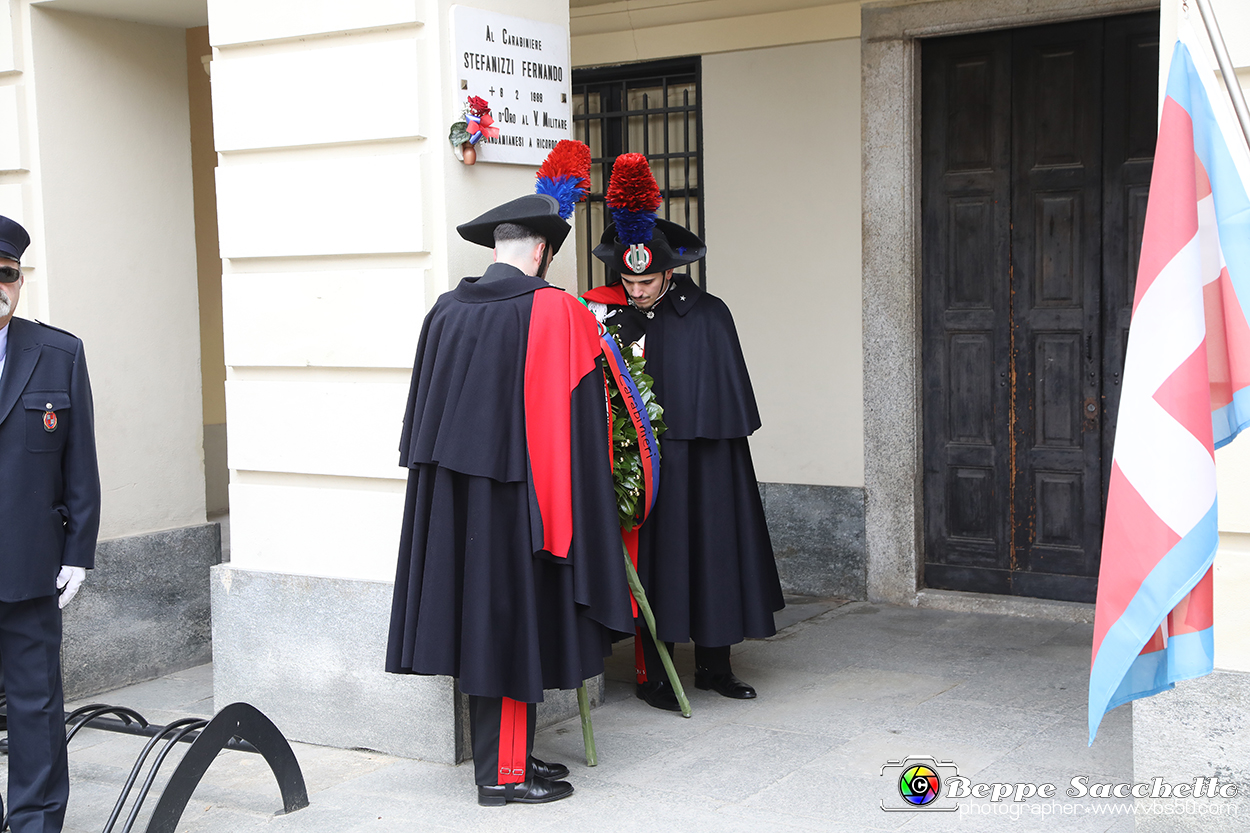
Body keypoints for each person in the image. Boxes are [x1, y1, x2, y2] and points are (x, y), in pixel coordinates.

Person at [386, 192, 633, 806]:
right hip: (524, 499)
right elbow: (583, 428)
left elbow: (422, 420)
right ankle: (502, 775)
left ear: (496, 250)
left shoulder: (445, 310)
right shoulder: (557, 311)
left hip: (456, 500)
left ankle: (510, 756)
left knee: (486, 620)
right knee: (513, 621)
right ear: (544, 252)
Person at [582, 153, 784, 712]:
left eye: (647, 280)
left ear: (669, 272)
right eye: (628, 280)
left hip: (708, 463)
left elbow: (727, 398)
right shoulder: (609, 316)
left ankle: (715, 666)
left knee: (714, 555)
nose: (638, 290)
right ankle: (655, 674)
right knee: (656, 565)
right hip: (644, 467)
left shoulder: (709, 314)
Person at [0, 214, 101, 832]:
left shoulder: (59, 353)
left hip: (31, 565)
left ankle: (35, 822)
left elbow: (80, 460)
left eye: (6, 275)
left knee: (36, 705)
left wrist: (77, 552)